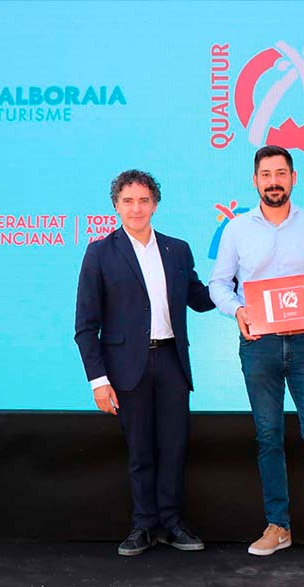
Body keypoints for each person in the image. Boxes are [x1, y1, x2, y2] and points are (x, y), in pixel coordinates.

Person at [209, 145, 304, 562]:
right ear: (254, 181)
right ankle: (278, 525)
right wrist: (236, 309)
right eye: (266, 174)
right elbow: (218, 284)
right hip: (258, 345)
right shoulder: (236, 229)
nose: (274, 180)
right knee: (268, 436)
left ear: (294, 178)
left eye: (281, 173)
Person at [74, 169, 215, 556]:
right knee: (140, 450)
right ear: (116, 206)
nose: (136, 208)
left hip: (171, 360)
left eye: (143, 200)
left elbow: (200, 298)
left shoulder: (177, 249)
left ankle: (171, 523)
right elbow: (86, 326)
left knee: (173, 447)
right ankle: (143, 526)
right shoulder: (100, 252)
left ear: (155, 203)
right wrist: (98, 380)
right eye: (127, 201)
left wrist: (237, 279)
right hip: (125, 368)